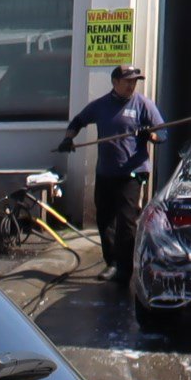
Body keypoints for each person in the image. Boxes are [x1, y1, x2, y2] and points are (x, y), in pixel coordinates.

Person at [58, 66, 166, 286]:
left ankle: (125, 268)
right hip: (106, 172)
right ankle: (112, 262)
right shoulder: (101, 105)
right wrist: (68, 139)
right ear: (115, 82)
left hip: (132, 172)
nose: (131, 85)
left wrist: (150, 135)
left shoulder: (143, 104)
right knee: (105, 219)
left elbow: (163, 133)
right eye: (127, 81)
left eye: (134, 81)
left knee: (126, 221)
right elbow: (77, 121)